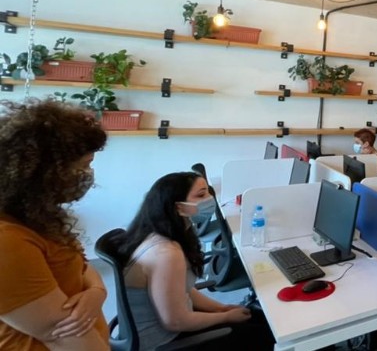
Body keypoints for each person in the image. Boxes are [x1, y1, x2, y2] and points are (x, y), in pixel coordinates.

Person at [111, 172, 274, 350]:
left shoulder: (163, 232)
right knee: (265, 334)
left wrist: (221, 308)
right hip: (162, 342)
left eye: (208, 192)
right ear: (179, 207)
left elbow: (184, 289)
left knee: (258, 318)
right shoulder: (166, 253)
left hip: (173, 325)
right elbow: (175, 322)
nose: (210, 199)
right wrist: (225, 317)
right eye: (201, 195)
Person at [0, 99, 110, 351]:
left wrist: (96, 290)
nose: (88, 175)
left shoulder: (38, 217)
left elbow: (81, 266)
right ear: (45, 172)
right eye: (84, 166)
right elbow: (59, 333)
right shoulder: (7, 239)